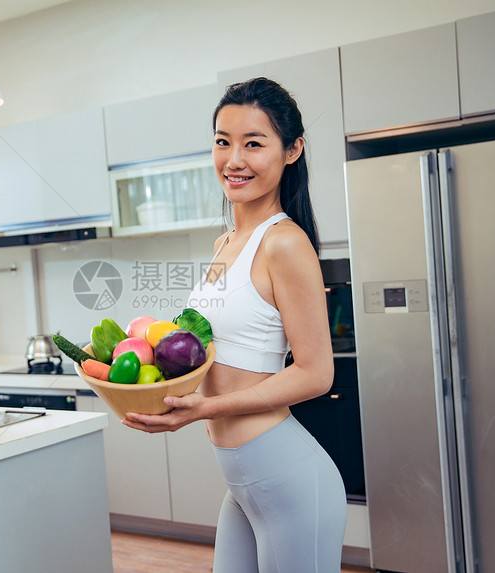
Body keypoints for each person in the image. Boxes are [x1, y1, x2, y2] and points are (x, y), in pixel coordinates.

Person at [122, 77, 347, 573]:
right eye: (223, 141)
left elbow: (315, 374)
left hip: (285, 476)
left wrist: (203, 409)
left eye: (254, 143)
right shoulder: (226, 243)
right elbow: (214, 349)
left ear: (292, 151)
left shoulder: (284, 243)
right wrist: (155, 381)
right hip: (245, 483)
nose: (234, 159)